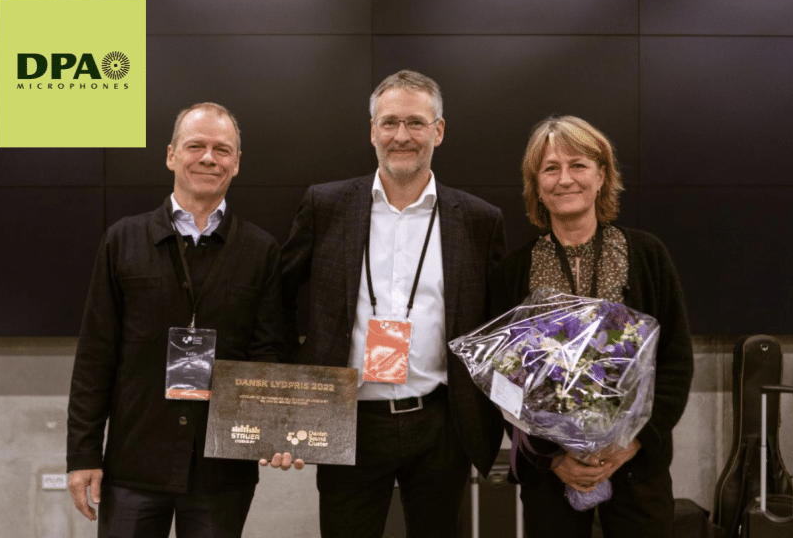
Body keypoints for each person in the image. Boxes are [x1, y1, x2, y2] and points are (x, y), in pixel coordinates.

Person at [281, 70, 506, 537]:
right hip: (349, 422)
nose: (401, 136)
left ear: (438, 131)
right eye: (389, 122)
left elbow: (496, 325)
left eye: (416, 123)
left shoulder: (478, 220)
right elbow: (278, 294)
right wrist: (297, 378)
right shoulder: (326, 205)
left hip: (441, 423)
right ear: (372, 131)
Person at [66, 102, 301, 538]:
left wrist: (276, 432)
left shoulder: (261, 250)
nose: (209, 158)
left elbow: (268, 352)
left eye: (222, 149)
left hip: (221, 469)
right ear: (171, 155)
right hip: (134, 463)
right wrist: (83, 454)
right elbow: (96, 356)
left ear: (236, 163)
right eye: (196, 146)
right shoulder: (122, 240)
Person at [494, 115, 694, 537]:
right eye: (551, 168)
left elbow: (675, 361)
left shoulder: (647, 255)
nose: (565, 179)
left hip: (637, 469)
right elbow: (503, 379)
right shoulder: (513, 271)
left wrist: (632, 442)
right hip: (551, 477)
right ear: (536, 185)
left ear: (601, 176)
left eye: (578, 165)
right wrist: (553, 459)